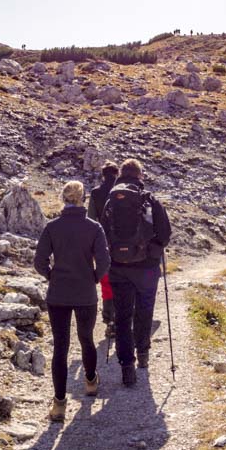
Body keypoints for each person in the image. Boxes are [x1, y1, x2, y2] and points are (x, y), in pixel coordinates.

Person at [34, 181, 111, 422]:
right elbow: (105, 262)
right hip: (85, 293)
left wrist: (52, 276)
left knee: (60, 346)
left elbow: (39, 261)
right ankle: (90, 381)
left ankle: (59, 404)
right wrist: (93, 278)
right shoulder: (94, 227)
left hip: (58, 294)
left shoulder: (52, 227)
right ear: (83, 199)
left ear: (63, 199)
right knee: (86, 338)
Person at [100, 159, 172, 387]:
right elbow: (165, 232)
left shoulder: (111, 201)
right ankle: (143, 354)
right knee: (144, 310)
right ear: (140, 175)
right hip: (146, 268)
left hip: (118, 268)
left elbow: (101, 232)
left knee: (122, 317)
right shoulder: (149, 199)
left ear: (121, 174)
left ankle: (126, 367)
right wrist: (153, 251)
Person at [87, 160, 120, 338]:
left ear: (103, 175)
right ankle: (126, 318)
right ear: (117, 174)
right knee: (124, 283)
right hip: (126, 246)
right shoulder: (125, 192)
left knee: (107, 285)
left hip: (103, 245)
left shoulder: (96, 193)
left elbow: (91, 220)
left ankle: (110, 321)